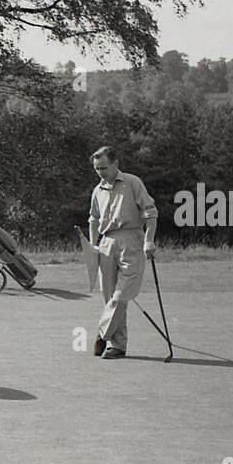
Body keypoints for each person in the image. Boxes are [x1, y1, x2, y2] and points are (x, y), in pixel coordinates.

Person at [86, 147, 157, 359]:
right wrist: (92, 246)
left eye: (104, 168)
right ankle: (118, 346)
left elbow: (150, 212)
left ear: (116, 163)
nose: (100, 172)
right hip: (106, 243)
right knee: (109, 296)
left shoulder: (133, 182)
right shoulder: (97, 190)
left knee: (122, 294)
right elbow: (93, 219)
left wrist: (149, 240)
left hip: (131, 240)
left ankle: (102, 333)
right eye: (97, 169)